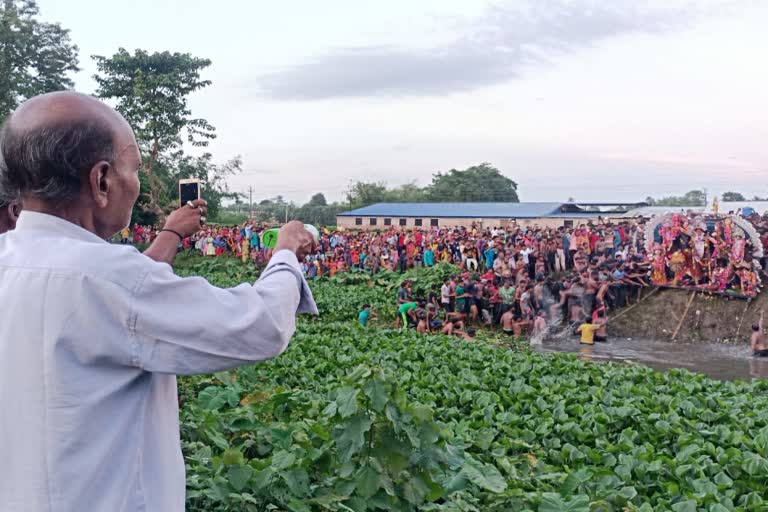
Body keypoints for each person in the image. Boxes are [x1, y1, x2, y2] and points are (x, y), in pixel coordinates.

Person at [0, 92, 317, 512]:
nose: (138, 185)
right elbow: (260, 327)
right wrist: (286, 253)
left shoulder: (12, 260)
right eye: (133, 170)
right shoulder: (113, 278)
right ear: (100, 181)